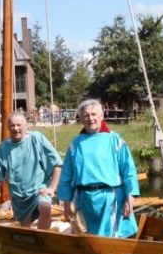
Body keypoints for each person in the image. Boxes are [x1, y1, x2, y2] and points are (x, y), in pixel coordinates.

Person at [57, 99, 139, 237]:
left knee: (111, 239)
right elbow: (66, 176)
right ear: (81, 118)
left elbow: (128, 171)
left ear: (101, 116)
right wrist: (66, 202)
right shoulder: (75, 145)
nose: (90, 118)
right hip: (84, 201)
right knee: (87, 239)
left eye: (94, 114)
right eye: (86, 115)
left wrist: (129, 197)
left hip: (110, 199)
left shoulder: (115, 140)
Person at [0, 111, 62, 229]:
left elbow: (57, 164)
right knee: (25, 228)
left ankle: (42, 239)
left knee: (45, 208)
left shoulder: (36, 139)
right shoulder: (3, 148)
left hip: (39, 190)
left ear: (26, 125)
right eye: (12, 125)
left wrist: (52, 188)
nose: (16, 128)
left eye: (19, 125)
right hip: (19, 198)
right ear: (8, 127)